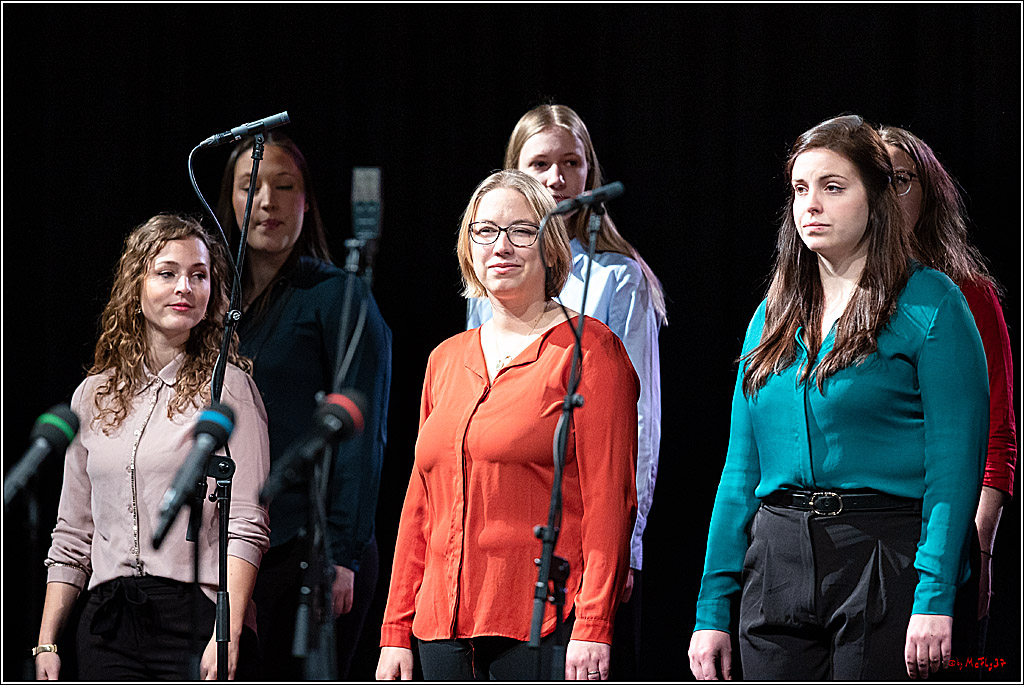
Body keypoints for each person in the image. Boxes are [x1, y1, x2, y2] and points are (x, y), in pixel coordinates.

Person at [687, 115, 989, 681]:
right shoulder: (773, 315)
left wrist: (934, 596)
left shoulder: (931, 304)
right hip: (776, 559)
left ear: (876, 199)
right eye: (801, 189)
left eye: (833, 187)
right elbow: (739, 471)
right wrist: (712, 609)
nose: (811, 205)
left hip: (882, 554)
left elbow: (954, 469)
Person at [378, 170, 638, 681]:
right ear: (468, 245)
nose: (503, 245)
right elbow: (419, 505)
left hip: (540, 623)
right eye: (486, 231)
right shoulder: (445, 359)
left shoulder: (590, 351)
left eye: (522, 230)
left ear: (550, 246)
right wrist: (394, 629)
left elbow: (611, 500)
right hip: (439, 628)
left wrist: (594, 624)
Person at [466, 104, 664, 678]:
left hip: (583, 530)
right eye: (540, 164)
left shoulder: (617, 278)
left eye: (570, 164)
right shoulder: (490, 277)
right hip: (499, 536)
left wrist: (630, 542)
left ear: (589, 173)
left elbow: (640, 421)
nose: (555, 180)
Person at [35, 214, 271, 680]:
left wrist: (228, 633)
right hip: (108, 621)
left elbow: (247, 522)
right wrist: (47, 641)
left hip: (194, 616)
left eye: (198, 275)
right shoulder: (93, 395)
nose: (184, 286)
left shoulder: (228, 388)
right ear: (135, 286)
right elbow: (73, 532)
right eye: (167, 273)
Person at [215, 132, 392, 679]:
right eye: (252, 186)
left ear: (307, 200)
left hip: (309, 548)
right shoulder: (213, 305)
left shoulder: (338, 296)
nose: (267, 200)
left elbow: (361, 435)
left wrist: (341, 553)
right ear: (232, 201)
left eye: (284, 186)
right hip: (234, 549)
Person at [879, 124, 1016, 655]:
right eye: (876, 179)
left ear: (928, 193)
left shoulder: (968, 294)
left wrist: (978, 546)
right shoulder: (836, 295)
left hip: (942, 532)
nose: (889, 194)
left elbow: (997, 433)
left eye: (902, 179)